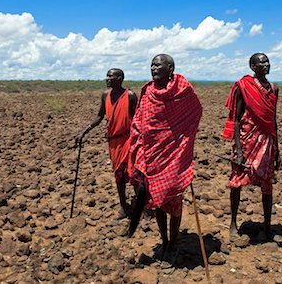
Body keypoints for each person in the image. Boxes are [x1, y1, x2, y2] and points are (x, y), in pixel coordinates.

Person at [127, 54, 202, 260]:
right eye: (151, 64)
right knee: (157, 201)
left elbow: (194, 113)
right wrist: (139, 148)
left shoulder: (183, 91)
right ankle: (164, 240)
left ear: (170, 68)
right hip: (152, 156)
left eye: (158, 64)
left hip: (175, 156)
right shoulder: (148, 91)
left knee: (175, 199)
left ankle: (174, 243)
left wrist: (184, 142)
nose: (153, 68)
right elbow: (139, 122)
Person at [222, 52, 282, 241]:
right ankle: (233, 223)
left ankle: (267, 226)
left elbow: (272, 121)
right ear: (252, 67)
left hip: (267, 142)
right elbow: (237, 120)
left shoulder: (273, 88)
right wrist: (238, 150)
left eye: (267, 62)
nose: (266, 65)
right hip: (247, 141)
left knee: (267, 184)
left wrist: (277, 150)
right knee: (237, 182)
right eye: (261, 62)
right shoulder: (243, 86)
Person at [75, 68, 138, 219]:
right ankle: (123, 207)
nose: (107, 78)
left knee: (134, 173)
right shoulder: (105, 95)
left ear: (120, 78)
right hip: (113, 142)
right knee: (119, 175)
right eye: (107, 76)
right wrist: (84, 131)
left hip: (128, 139)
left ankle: (141, 207)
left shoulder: (130, 96)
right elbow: (99, 116)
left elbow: (137, 119)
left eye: (111, 76)